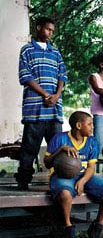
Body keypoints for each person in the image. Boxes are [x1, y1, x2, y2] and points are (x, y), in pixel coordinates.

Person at [44, 111, 103, 238]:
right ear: (78, 125)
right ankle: (67, 227)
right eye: (89, 124)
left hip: (85, 176)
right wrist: (60, 150)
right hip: (62, 176)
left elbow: (91, 167)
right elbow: (47, 163)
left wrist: (82, 181)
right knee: (65, 194)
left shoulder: (92, 141)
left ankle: (97, 226)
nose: (92, 127)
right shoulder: (59, 138)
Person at [15, 16, 68, 190]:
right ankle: (23, 181)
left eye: (52, 31)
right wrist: (45, 94)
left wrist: (56, 95)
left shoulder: (56, 52)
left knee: (58, 148)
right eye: (47, 29)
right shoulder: (27, 50)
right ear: (38, 28)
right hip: (35, 109)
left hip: (54, 109)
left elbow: (63, 75)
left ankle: (59, 181)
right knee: (30, 147)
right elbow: (25, 76)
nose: (50, 33)